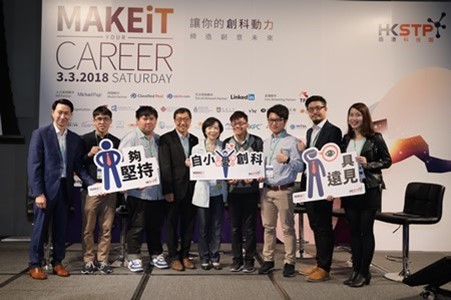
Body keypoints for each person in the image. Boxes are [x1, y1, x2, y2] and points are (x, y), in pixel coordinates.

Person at [27, 99, 96, 280]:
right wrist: (38, 193)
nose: (62, 116)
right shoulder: (40, 134)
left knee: (60, 230)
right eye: (59, 112)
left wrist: (92, 183)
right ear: (52, 112)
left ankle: (58, 262)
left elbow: (79, 167)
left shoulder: (75, 139)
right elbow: (34, 166)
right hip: (45, 192)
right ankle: (35, 265)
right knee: (40, 230)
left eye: (66, 113)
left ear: (71, 115)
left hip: (65, 191)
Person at [341, 102, 392, 287]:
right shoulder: (345, 139)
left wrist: (368, 164)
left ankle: (364, 272)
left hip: (369, 189)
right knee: (353, 232)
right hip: (349, 190)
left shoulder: (375, 138)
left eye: (358, 115)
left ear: (365, 118)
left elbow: (387, 161)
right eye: (351, 115)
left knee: (365, 230)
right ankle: (356, 270)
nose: (353, 119)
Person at [298, 95, 342, 282]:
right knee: (315, 225)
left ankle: (325, 268)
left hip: (324, 187)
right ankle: (319, 262)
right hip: (310, 185)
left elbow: (334, 159)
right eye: (311, 109)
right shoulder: (310, 132)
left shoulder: (334, 131)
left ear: (325, 109)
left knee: (324, 227)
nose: (315, 112)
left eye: (318, 108)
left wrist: (332, 187)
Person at [119, 106, 168, 272]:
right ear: (137, 120)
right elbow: (121, 167)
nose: (148, 122)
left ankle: (156, 254)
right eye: (144, 118)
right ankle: (133, 256)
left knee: (155, 226)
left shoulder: (159, 139)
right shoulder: (130, 139)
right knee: (136, 226)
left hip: (157, 193)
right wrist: (130, 183)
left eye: (151, 118)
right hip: (138, 193)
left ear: (156, 121)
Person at [258, 104, 303, 278]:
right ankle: (268, 260)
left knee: (287, 228)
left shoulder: (292, 141)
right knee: (268, 227)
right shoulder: (265, 142)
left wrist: (288, 159)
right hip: (267, 190)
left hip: (284, 190)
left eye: (278, 120)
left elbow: (300, 166)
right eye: (271, 120)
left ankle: (289, 262)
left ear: (285, 121)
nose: (274, 123)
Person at [80, 106, 120, 275]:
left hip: (110, 189)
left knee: (106, 227)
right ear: (94, 121)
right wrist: (89, 154)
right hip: (92, 189)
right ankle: (89, 260)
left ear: (110, 121)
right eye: (99, 119)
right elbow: (77, 165)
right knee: (88, 228)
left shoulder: (116, 142)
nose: (102, 122)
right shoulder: (84, 140)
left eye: (105, 119)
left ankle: (103, 259)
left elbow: (120, 167)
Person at [222, 111, 263, 273]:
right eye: (235, 124)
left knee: (251, 228)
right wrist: (227, 178)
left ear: (247, 124)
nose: (238, 126)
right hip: (233, 192)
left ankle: (249, 260)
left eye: (241, 123)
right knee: (235, 228)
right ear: (231, 125)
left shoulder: (256, 141)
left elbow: (260, 163)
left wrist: (253, 177)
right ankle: (236, 259)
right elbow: (222, 166)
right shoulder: (226, 143)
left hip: (251, 192)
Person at [158, 108, 199, 271]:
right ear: (174, 120)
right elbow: (165, 165)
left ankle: (185, 255)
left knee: (188, 224)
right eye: (180, 119)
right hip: (173, 190)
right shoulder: (166, 139)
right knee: (171, 224)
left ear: (190, 120)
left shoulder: (195, 139)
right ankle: (174, 257)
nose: (183, 122)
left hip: (192, 189)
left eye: (186, 119)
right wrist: (167, 190)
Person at [191, 117, 227, 270]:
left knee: (217, 227)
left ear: (220, 131)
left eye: (216, 128)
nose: (213, 131)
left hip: (218, 192)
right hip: (203, 193)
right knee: (204, 227)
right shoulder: (196, 148)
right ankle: (204, 257)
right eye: (210, 128)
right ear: (205, 130)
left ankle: (215, 256)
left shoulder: (225, 147)